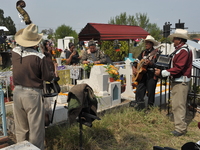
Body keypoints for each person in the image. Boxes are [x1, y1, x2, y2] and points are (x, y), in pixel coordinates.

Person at [12, 24, 54, 149]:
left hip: (17, 92)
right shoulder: (39, 57)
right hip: (32, 94)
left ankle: (21, 148)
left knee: (21, 129)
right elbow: (47, 77)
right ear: (35, 42)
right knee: (35, 130)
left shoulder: (14, 52)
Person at [155, 29, 193, 136]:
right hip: (179, 80)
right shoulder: (181, 49)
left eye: (175, 38)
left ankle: (180, 129)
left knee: (178, 105)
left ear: (180, 40)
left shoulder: (183, 51)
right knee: (179, 104)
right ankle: (180, 125)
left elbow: (178, 68)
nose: (173, 40)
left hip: (181, 82)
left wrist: (163, 72)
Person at [131, 35, 159, 110]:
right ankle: (139, 107)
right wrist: (134, 67)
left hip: (151, 75)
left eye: (148, 43)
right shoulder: (143, 52)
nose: (146, 44)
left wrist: (150, 64)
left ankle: (150, 109)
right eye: (146, 43)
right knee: (139, 90)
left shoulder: (156, 53)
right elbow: (136, 61)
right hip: (142, 75)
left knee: (150, 93)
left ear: (152, 44)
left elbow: (158, 65)